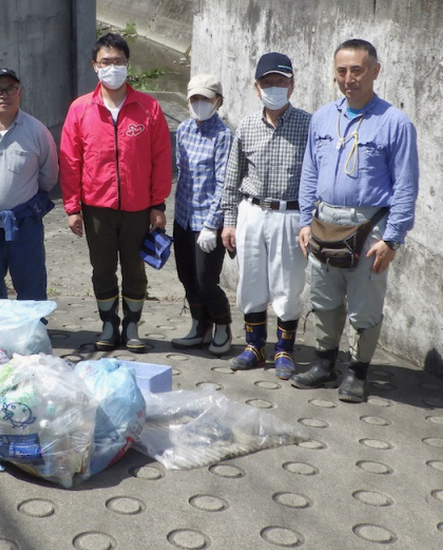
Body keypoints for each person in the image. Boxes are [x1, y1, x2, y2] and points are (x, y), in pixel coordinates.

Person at [292, 39, 419, 402]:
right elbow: (309, 173)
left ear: (375, 71)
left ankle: (358, 371)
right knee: (324, 296)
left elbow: (406, 186)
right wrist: (305, 221)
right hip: (324, 221)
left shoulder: (395, 123)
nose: (349, 79)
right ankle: (323, 363)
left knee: (365, 304)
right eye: (342, 71)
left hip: (370, 226)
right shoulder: (322, 117)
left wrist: (392, 239)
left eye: (357, 70)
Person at [60, 32, 172, 353]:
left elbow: (161, 158)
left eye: (119, 61)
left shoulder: (148, 108)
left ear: (128, 65)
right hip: (97, 208)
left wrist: (158, 203)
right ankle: (109, 322)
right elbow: (70, 161)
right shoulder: (81, 109)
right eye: (106, 62)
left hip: (139, 208)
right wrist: (72, 208)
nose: (113, 67)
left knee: (135, 268)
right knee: (103, 268)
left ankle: (132, 324)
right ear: (95, 66)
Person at [220, 53, 312, 379]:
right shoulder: (246, 125)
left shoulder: (308, 125)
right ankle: (254, 346)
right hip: (251, 211)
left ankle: (285, 349)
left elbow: (316, 177)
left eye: (281, 81)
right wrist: (229, 220)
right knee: (252, 281)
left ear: (292, 85)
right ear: (257, 88)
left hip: (290, 213)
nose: (274, 87)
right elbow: (232, 178)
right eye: (267, 82)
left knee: (288, 284)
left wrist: (310, 221)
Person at [0, 67, 59, 300]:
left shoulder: (37, 131)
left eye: (11, 89)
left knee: (30, 282)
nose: (4, 95)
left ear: (20, 93)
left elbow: (49, 176)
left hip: (24, 223)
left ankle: (32, 332)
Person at [170, 73, 234, 355]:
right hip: (183, 216)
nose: (199, 103)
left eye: (205, 99)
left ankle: (222, 325)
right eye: (194, 98)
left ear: (217, 101)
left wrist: (212, 225)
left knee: (206, 280)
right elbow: (180, 173)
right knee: (187, 277)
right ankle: (200, 326)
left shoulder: (223, 136)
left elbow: (223, 183)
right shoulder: (183, 130)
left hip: (207, 222)